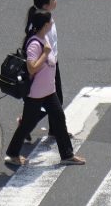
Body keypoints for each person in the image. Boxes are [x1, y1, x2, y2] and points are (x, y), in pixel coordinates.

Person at [5, 10, 85, 166]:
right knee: (27, 124)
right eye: (50, 22)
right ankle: (13, 153)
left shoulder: (43, 38)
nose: (53, 23)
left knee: (59, 119)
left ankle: (67, 155)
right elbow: (31, 68)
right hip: (36, 94)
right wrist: (45, 53)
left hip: (48, 91)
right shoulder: (35, 44)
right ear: (45, 25)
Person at [16, 0, 64, 142]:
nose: (55, 1)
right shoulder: (42, 25)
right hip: (44, 67)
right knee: (48, 102)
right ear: (45, 5)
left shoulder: (44, 19)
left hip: (51, 64)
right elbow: (42, 47)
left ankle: (53, 130)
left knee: (52, 101)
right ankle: (25, 126)